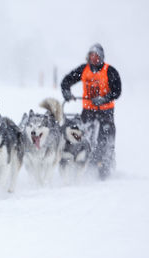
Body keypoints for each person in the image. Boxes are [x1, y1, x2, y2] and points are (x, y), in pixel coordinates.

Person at [61, 43, 122, 178]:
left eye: (96, 56)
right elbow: (67, 80)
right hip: (88, 110)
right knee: (83, 137)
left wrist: (104, 98)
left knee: (104, 138)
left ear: (101, 57)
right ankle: (82, 162)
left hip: (105, 111)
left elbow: (117, 90)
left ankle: (104, 165)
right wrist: (66, 91)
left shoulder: (109, 71)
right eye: (91, 56)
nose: (94, 58)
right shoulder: (84, 69)